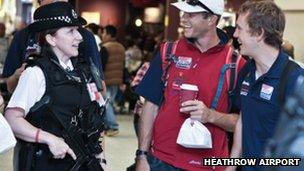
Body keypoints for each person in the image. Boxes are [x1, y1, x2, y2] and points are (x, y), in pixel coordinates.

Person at [135, 0, 246, 170]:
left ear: (211, 19)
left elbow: (242, 122)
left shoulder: (236, 64)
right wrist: (142, 156)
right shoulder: (168, 52)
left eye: (190, 15)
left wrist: (211, 116)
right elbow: (150, 106)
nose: (183, 19)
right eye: (183, 13)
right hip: (161, 160)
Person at [4, 2, 106, 170]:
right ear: (51, 39)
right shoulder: (36, 73)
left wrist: (101, 159)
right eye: (70, 31)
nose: (79, 37)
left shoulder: (85, 73)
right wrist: (49, 139)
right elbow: (12, 119)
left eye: (77, 30)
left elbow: (96, 120)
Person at [227, 1, 304, 171]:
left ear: (259, 33)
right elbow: (242, 119)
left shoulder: (295, 79)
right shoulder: (246, 70)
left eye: (240, 28)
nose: (235, 35)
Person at [3, 0, 105, 94]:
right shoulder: (23, 36)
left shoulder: (84, 37)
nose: (77, 36)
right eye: (70, 31)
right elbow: (9, 87)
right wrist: (17, 77)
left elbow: (101, 88)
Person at [101, 25, 125, 136]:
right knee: (109, 103)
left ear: (109, 34)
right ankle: (108, 126)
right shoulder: (121, 47)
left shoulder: (105, 47)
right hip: (117, 80)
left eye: (104, 33)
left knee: (107, 104)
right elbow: (123, 65)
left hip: (106, 80)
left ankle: (113, 126)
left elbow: (101, 65)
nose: (102, 35)